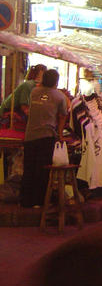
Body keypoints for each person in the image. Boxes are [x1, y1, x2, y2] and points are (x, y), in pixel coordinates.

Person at [20, 69, 69, 208]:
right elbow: (63, 115)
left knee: (28, 168)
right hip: (46, 136)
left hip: (30, 136)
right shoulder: (59, 96)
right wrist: (60, 134)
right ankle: (39, 201)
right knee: (42, 170)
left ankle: (25, 201)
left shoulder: (34, 92)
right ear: (56, 81)